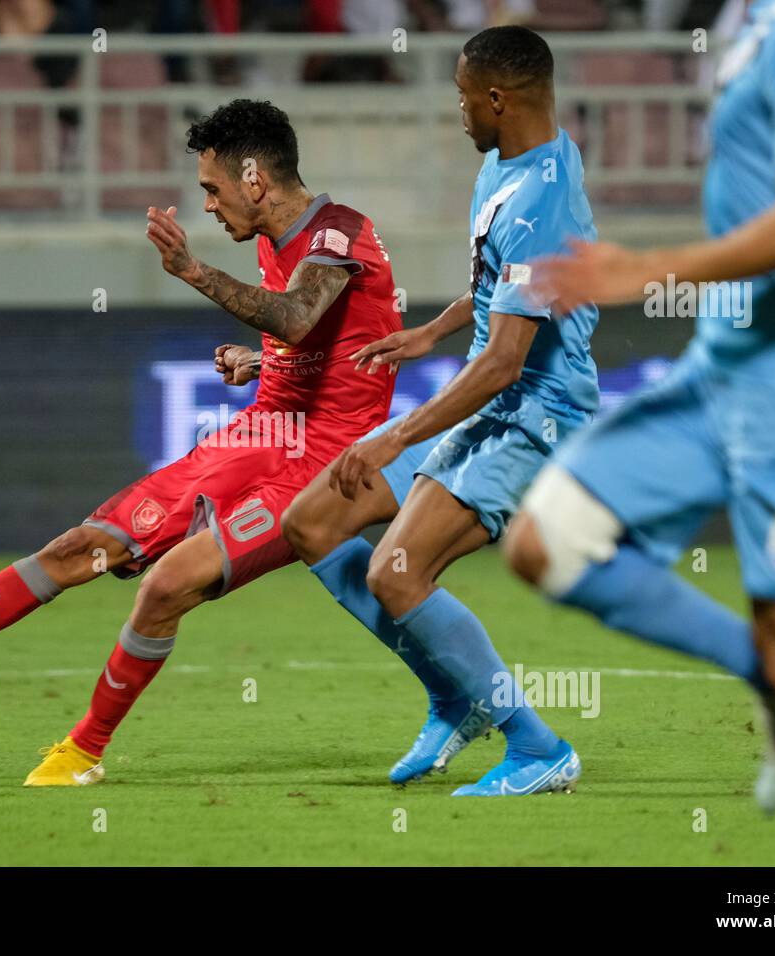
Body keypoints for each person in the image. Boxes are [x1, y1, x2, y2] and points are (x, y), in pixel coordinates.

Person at [0, 99, 403, 786]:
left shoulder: (338, 234)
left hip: (324, 467)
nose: (207, 205)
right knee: (79, 549)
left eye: (212, 188)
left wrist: (194, 272)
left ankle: (82, 751)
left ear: (254, 178)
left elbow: (299, 317)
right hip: (258, 436)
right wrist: (260, 362)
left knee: (166, 585)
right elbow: (336, 344)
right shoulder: (276, 239)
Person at [505, 0, 775, 811]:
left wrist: (645, 271)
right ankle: (772, 667)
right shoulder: (774, 22)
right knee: (547, 542)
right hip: (719, 373)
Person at [282, 26, 597, 795]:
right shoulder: (504, 164)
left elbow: (504, 364)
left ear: (497, 99)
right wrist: (430, 330)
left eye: (462, 97)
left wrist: (394, 436)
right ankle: (456, 697)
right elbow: (498, 289)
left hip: (534, 417)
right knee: (312, 522)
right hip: (492, 405)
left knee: (396, 570)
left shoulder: (541, 197)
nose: (457, 111)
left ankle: (537, 747)